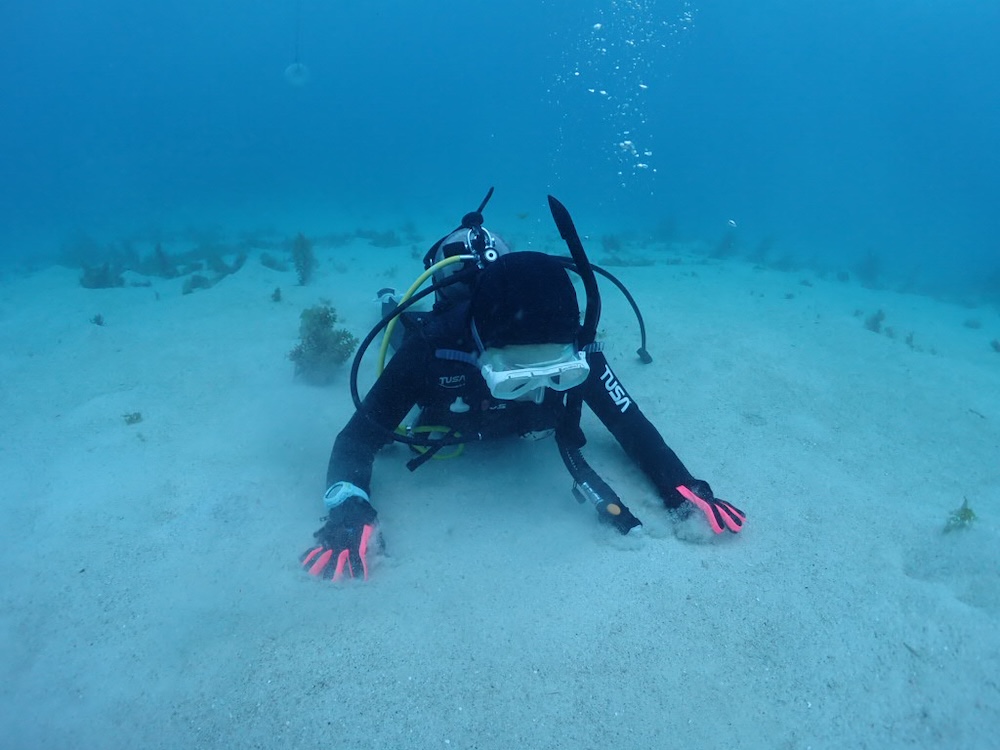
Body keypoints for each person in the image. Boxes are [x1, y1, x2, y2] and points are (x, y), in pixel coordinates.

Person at [301, 192, 745, 581]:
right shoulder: (431, 348)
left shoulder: (579, 349)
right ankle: (388, 301)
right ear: (481, 348)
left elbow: (629, 422)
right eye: (516, 374)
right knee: (399, 326)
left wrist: (680, 484)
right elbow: (356, 440)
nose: (539, 383)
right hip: (439, 334)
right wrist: (349, 507)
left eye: (557, 371)